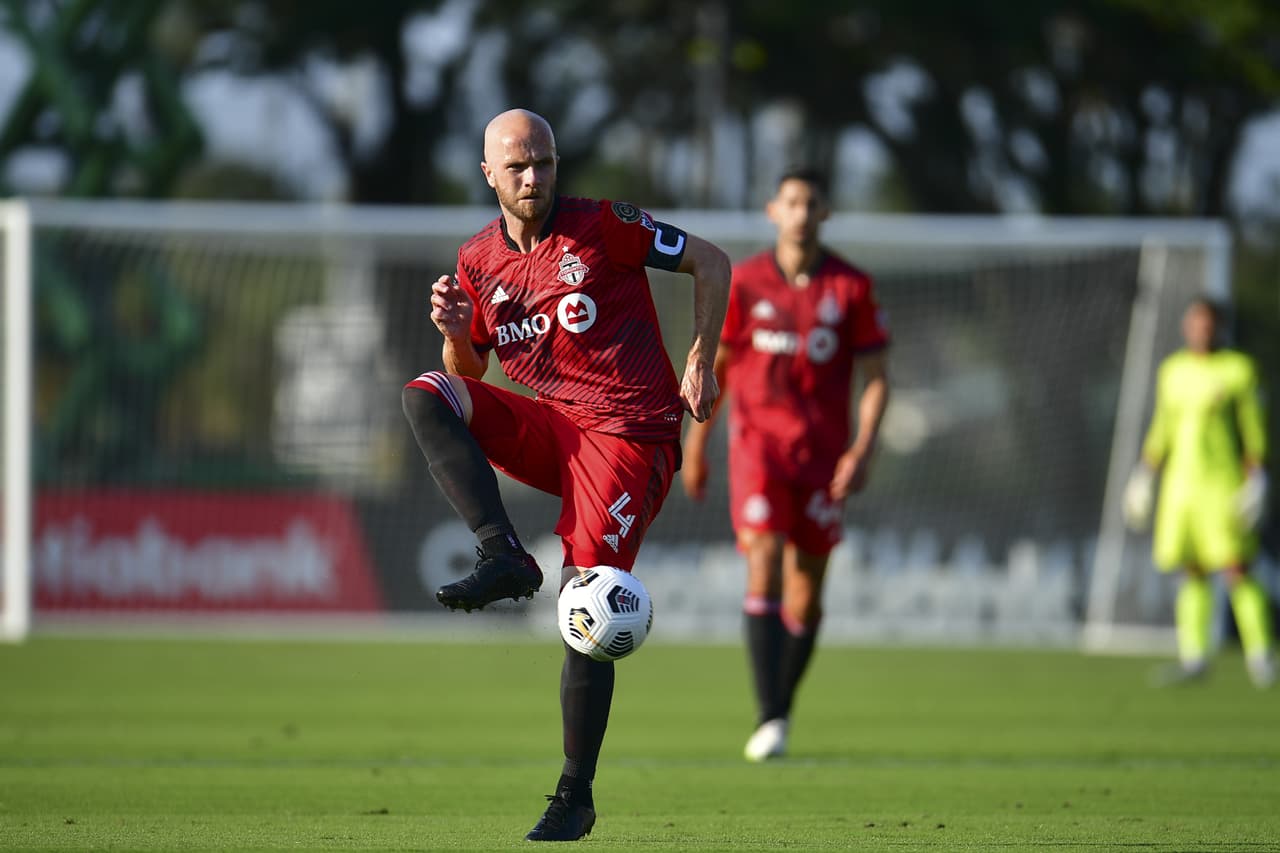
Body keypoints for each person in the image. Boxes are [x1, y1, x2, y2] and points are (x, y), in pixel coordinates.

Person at [401, 108, 730, 841]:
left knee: (589, 602)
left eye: (544, 163)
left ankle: (574, 796)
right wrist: (454, 334)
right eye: (517, 166)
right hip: (554, 426)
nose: (533, 178)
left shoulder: (604, 225)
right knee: (429, 392)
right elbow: (470, 369)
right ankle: (504, 553)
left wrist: (701, 357)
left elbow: (712, 261)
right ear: (489, 174)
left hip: (630, 434)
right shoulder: (477, 259)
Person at [682, 168, 890, 761]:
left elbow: (877, 380)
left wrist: (863, 449)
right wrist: (695, 446)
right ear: (773, 210)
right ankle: (770, 714)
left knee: (807, 596)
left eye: (811, 203)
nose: (800, 212)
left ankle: (779, 710)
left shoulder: (851, 287)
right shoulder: (745, 282)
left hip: (823, 459)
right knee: (765, 561)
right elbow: (717, 370)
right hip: (758, 451)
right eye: (791, 202)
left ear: (825, 213)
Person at [1123, 297, 1272, 687]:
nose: (1201, 330)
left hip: (1222, 484)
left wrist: (1258, 476)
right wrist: (1144, 474)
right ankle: (1194, 656)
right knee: (1191, 569)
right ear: (1186, 326)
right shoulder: (1172, 371)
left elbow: (1252, 428)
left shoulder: (1238, 370)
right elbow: (1162, 428)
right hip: (1181, 486)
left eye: (1208, 323)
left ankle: (1260, 656)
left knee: (1236, 567)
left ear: (1219, 327)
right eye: (1195, 322)